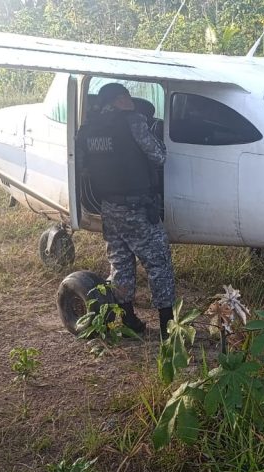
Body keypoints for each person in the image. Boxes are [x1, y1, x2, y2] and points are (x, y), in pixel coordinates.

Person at [75, 82, 176, 339]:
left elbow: (84, 166)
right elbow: (159, 155)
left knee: (120, 264)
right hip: (137, 208)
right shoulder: (132, 122)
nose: (131, 101)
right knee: (159, 263)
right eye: (127, 97)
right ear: (119, 100)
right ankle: (168, 327)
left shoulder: (89, 130)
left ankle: (129, 319)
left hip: (109, 207)